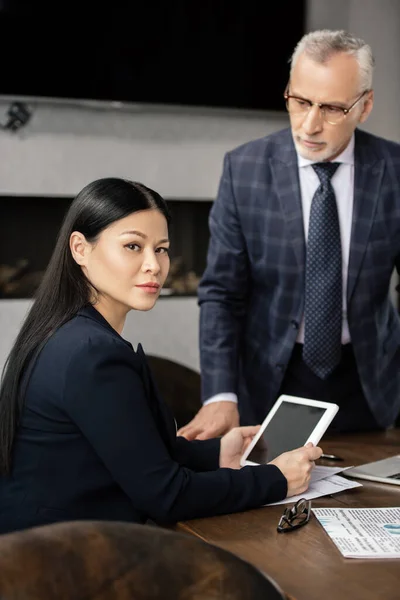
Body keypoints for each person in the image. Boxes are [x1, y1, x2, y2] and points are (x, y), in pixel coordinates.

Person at [0, 177, 322, 534]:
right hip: (67, 563)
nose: (154, 265)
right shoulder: (92, 356)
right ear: (80, 249)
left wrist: (219, 454)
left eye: (162, 248)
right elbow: (166, 495)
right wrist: (277, 479)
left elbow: (132, 454)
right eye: (133, 246)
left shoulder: (67, 333)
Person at [177, 29, 400, 441]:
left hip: (371, 384)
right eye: (300, 102)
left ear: (364, 106)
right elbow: (222, 293)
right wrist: (220, 393)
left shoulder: (394, 171)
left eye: (332, 108)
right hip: (272, 384)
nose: (310, 125)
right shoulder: (244, 169)